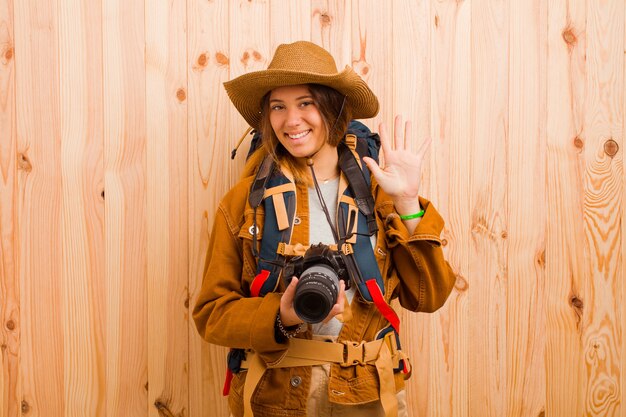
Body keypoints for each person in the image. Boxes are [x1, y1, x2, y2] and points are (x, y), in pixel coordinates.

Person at [193, 41, 456, 417]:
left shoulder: (379, 193)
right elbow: (211, 314)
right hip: (274, 396)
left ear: (333, 108)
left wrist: (409, 203)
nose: (291, 120)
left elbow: (428, 297)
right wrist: (281, 316)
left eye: (305, 103)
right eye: (277, 107)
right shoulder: (245, 204)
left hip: (366, 393)